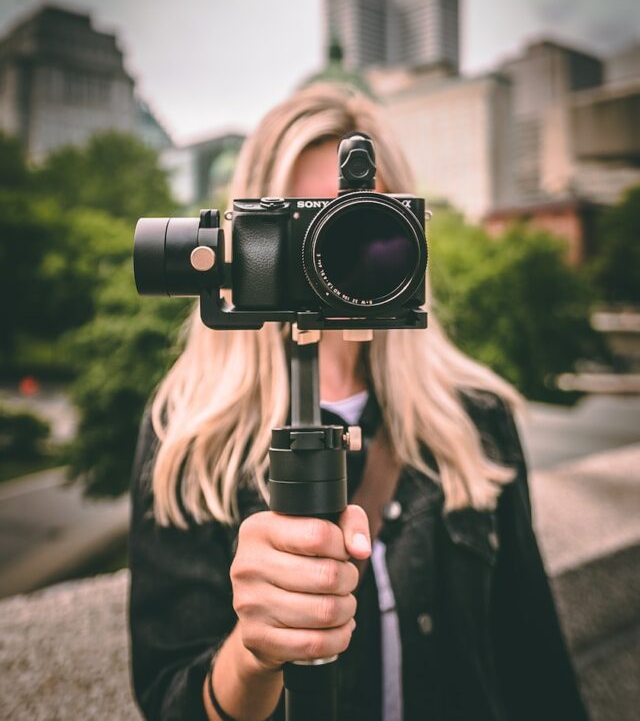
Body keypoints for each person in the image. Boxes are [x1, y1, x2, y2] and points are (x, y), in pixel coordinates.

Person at [129, 82, 590, 721]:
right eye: (308, 223)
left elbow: (533, 662)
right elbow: (169, 699)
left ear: (409, 235)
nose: (335, 252)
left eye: (359, 220)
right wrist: (257, 653)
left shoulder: (474, 416)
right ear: (247, 240)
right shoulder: (188, 436)